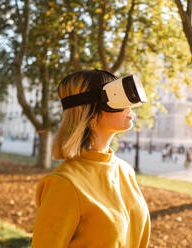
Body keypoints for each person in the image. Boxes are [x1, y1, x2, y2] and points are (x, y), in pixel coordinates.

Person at [32, 69, 150, 248]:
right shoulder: (64, 184)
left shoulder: (125, 171)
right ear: (92, 115)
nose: (129, 107)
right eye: (118, 99)